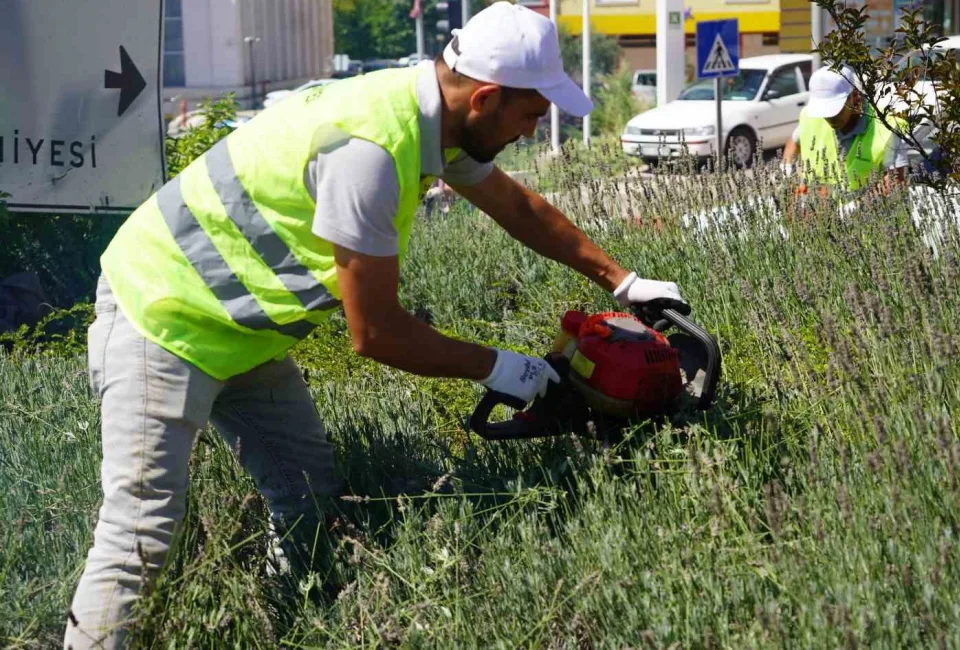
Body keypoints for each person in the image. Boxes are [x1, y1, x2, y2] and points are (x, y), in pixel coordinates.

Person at [63, 3, 685, 648]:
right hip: (161, 313)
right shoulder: (370, 151)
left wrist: (622, 280)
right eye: (530, 115)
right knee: (142, 529)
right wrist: (510, 370)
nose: (531, 131)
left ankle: (283, 623)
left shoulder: (427, 121)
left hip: (242, 332)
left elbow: (515, 205)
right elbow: (377, 334)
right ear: (487, 99)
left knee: (307, 490)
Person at [782, 65, 908, 197]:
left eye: (835, 109)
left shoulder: (887, 127)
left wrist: (853, 208)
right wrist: (787, 169)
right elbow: (794, 141)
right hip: (818, 212)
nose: (830, 117)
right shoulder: (811, 116)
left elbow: (895, 181)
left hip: (868, 214)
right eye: (824, 111)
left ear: (854, 96)